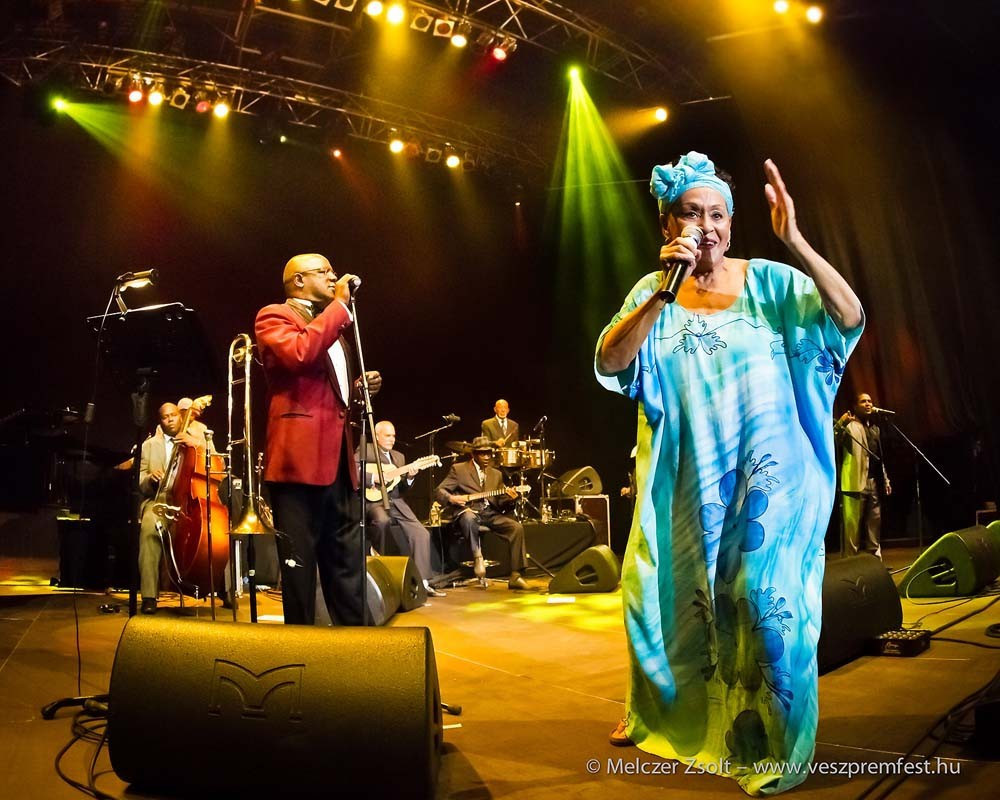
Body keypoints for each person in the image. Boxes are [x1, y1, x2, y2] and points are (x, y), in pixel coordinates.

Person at [595, 152, 863, 794]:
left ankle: (770, 743)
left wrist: (795, 239)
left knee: (766, 610)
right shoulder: (652, 291)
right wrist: (662, 293)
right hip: (686, 484)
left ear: (733, 223)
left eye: (718, 214)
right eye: (692, 213)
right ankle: (661, 713)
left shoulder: (772, 283)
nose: (706, 226)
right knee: (663, 602)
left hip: (770, 485)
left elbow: (849, 318)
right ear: (668, 225)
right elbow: (610, 362)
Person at [255, 253, 382, 626]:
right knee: (300, 571)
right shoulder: (274, 316)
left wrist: (357, 388)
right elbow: (299, 354)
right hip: (298, 463)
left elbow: (328, 394)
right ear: (298, 280)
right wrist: (340, 305)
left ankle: (355, 645)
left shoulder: (334, 329)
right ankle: (301, 648)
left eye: (333, 271)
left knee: (347, 564)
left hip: (339, 463)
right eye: (324, 271)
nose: (333, 276)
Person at [359, 420, 446, 598]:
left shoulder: (399, 457)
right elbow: (354, 470)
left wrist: (411, 477)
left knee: (421, 533)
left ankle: (422, 582)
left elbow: (402, 488)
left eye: (394, 436)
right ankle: (378, 562)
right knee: (382, 521)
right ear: (376, 436)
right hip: (375, 500)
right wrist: (374, 477)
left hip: (396, 501)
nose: (392, 439)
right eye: (387, 435)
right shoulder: (366, 449)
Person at [137, 402, 206, 614]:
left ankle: (225, 590)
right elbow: (140, 480)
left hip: (190, 500)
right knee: (149, 528)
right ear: (161, 421)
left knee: (213, 529)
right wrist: (150, 479)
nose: (170, 419)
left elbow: (214, 459)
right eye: (165, 417)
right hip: (160, 499)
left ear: (180, 415)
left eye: (173, 415)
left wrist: (196, 444)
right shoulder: (149, 445)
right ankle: (149, 596)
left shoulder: (198, 436)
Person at [436, 436, 528, 590]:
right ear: (473, 454)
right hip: (468, 511)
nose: (486, 457)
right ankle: (477, 557)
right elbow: (439, 491)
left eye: (488, 453)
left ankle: (516, 575)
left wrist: (511, 498)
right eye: (482, 453)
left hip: (489, 513)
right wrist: (451, 498)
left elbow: (500, 502)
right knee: (469, 518)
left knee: (516, 528)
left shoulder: (496, 474)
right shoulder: (459, 469)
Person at [836, 392, 891, 558]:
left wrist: (886, 479)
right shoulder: (849, 425)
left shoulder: (875, 429)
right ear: (855, 406)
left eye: (870, 401)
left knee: (874, 523)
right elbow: (833, 438)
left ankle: (875, 562)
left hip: (873, 482)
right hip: (854, 482)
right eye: (863, 401)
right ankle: (850, 564)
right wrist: (841, 423)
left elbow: (879, 458)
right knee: (852, 528)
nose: (868, 404)